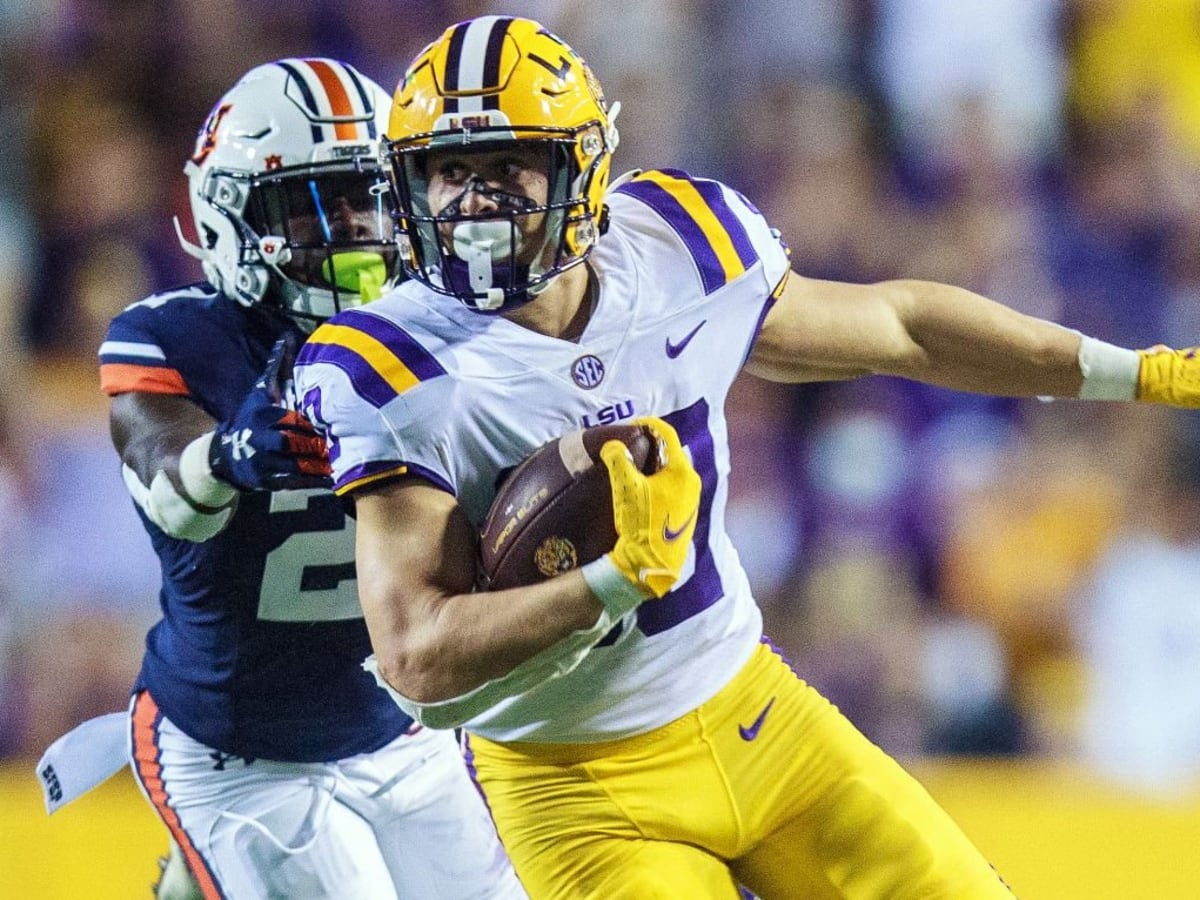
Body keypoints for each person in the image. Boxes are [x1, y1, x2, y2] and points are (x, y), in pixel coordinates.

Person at [291, 16, 1200, 899]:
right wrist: (608, 583)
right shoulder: (393, 368)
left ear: (583, 169)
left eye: (508, 165)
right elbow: (416, 659)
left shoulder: (676, 247)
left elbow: (902, 327)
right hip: (573, 788)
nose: (474, 203)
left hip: (756, 712)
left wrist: (1136, 373)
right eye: (448, 171)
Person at [89, 58, 525, 900]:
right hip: (241, 751)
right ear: (228, 215)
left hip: (400, 732)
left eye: (367, 196)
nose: (354, 228)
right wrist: (226, 458)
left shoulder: (442, 328)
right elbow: (165, 486)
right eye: (312, 203)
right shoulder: (171, 337)